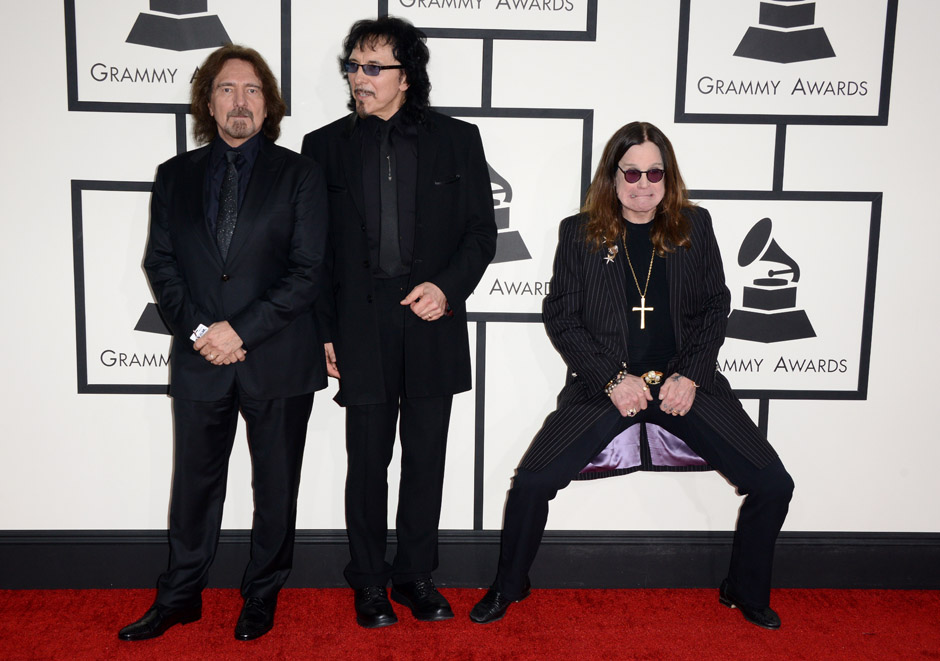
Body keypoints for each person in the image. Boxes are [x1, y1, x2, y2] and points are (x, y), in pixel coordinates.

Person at [470, 122, 794, 630]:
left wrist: (689, 374)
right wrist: (612, 380)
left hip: (683, 383)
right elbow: (563, 316)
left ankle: (743, 589)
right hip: (605, 384)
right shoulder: (578, 233)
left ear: (668, 177)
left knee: (773, 483)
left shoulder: (695, 225)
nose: (644, 183)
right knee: (533, 482)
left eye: (655, 172)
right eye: (633, 172)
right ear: (613, 175)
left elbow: (715, 306)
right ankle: (510, 585)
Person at [118, 44, 328, 642]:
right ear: (208, 102)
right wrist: (201, 332)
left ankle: (262, 595)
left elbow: (308, 270)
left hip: (280, 356)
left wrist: (242, 330)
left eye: (253, 90)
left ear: (270, 104)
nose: (241, 101)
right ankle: (180, 595)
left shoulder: (300, 174)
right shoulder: (174, 176)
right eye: (228, 89)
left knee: (276, 487)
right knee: (193, 487)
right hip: (200, 358)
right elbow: (160, 265)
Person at [302, 16, 496, 628]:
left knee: (426, 458)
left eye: (372, 67)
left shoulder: (458, 139)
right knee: (367, 461)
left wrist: (447, 288)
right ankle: (368, 583)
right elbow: (315, 252)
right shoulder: (323, 146)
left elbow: (479, 233)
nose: (358, 77)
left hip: (431, 318)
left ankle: (415, 576)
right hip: (359, 324)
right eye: (353, 66)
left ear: (405, 77)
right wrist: (324, 330)